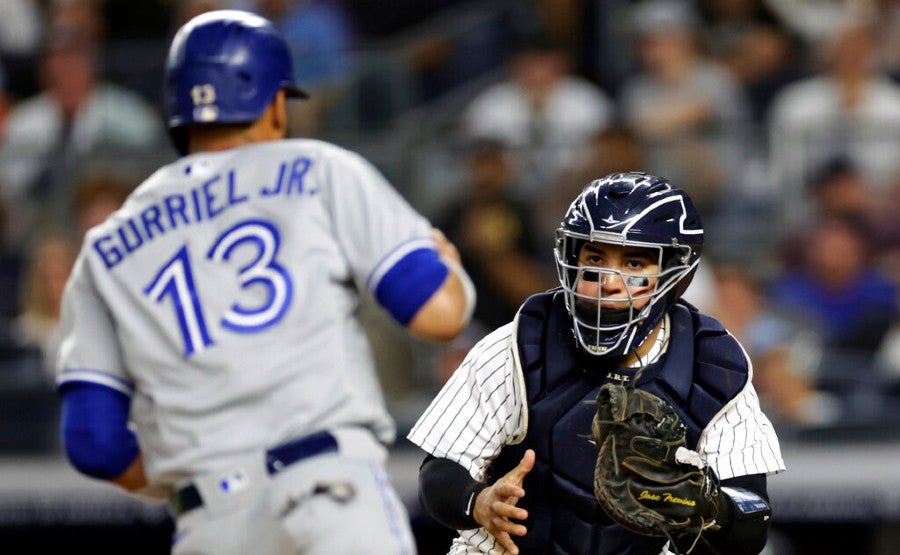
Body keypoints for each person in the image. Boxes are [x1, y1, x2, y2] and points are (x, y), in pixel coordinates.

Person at [54, 10, 476, 555]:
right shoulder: (318, 168)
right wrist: (451, 268)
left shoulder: (104, 248)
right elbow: (438, 316)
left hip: (212, 526)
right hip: (328, 494)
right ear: (274, 102)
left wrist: (195, 477)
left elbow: (96, 444)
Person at [408, 172, 785, 555]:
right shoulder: (520, 344)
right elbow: (438, 474)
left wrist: (708, 506)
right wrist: (479, 501)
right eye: (595, 258)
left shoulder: (713, 364)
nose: (609, 280)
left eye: (635, 263)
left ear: (676, 274)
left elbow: (751, 524)